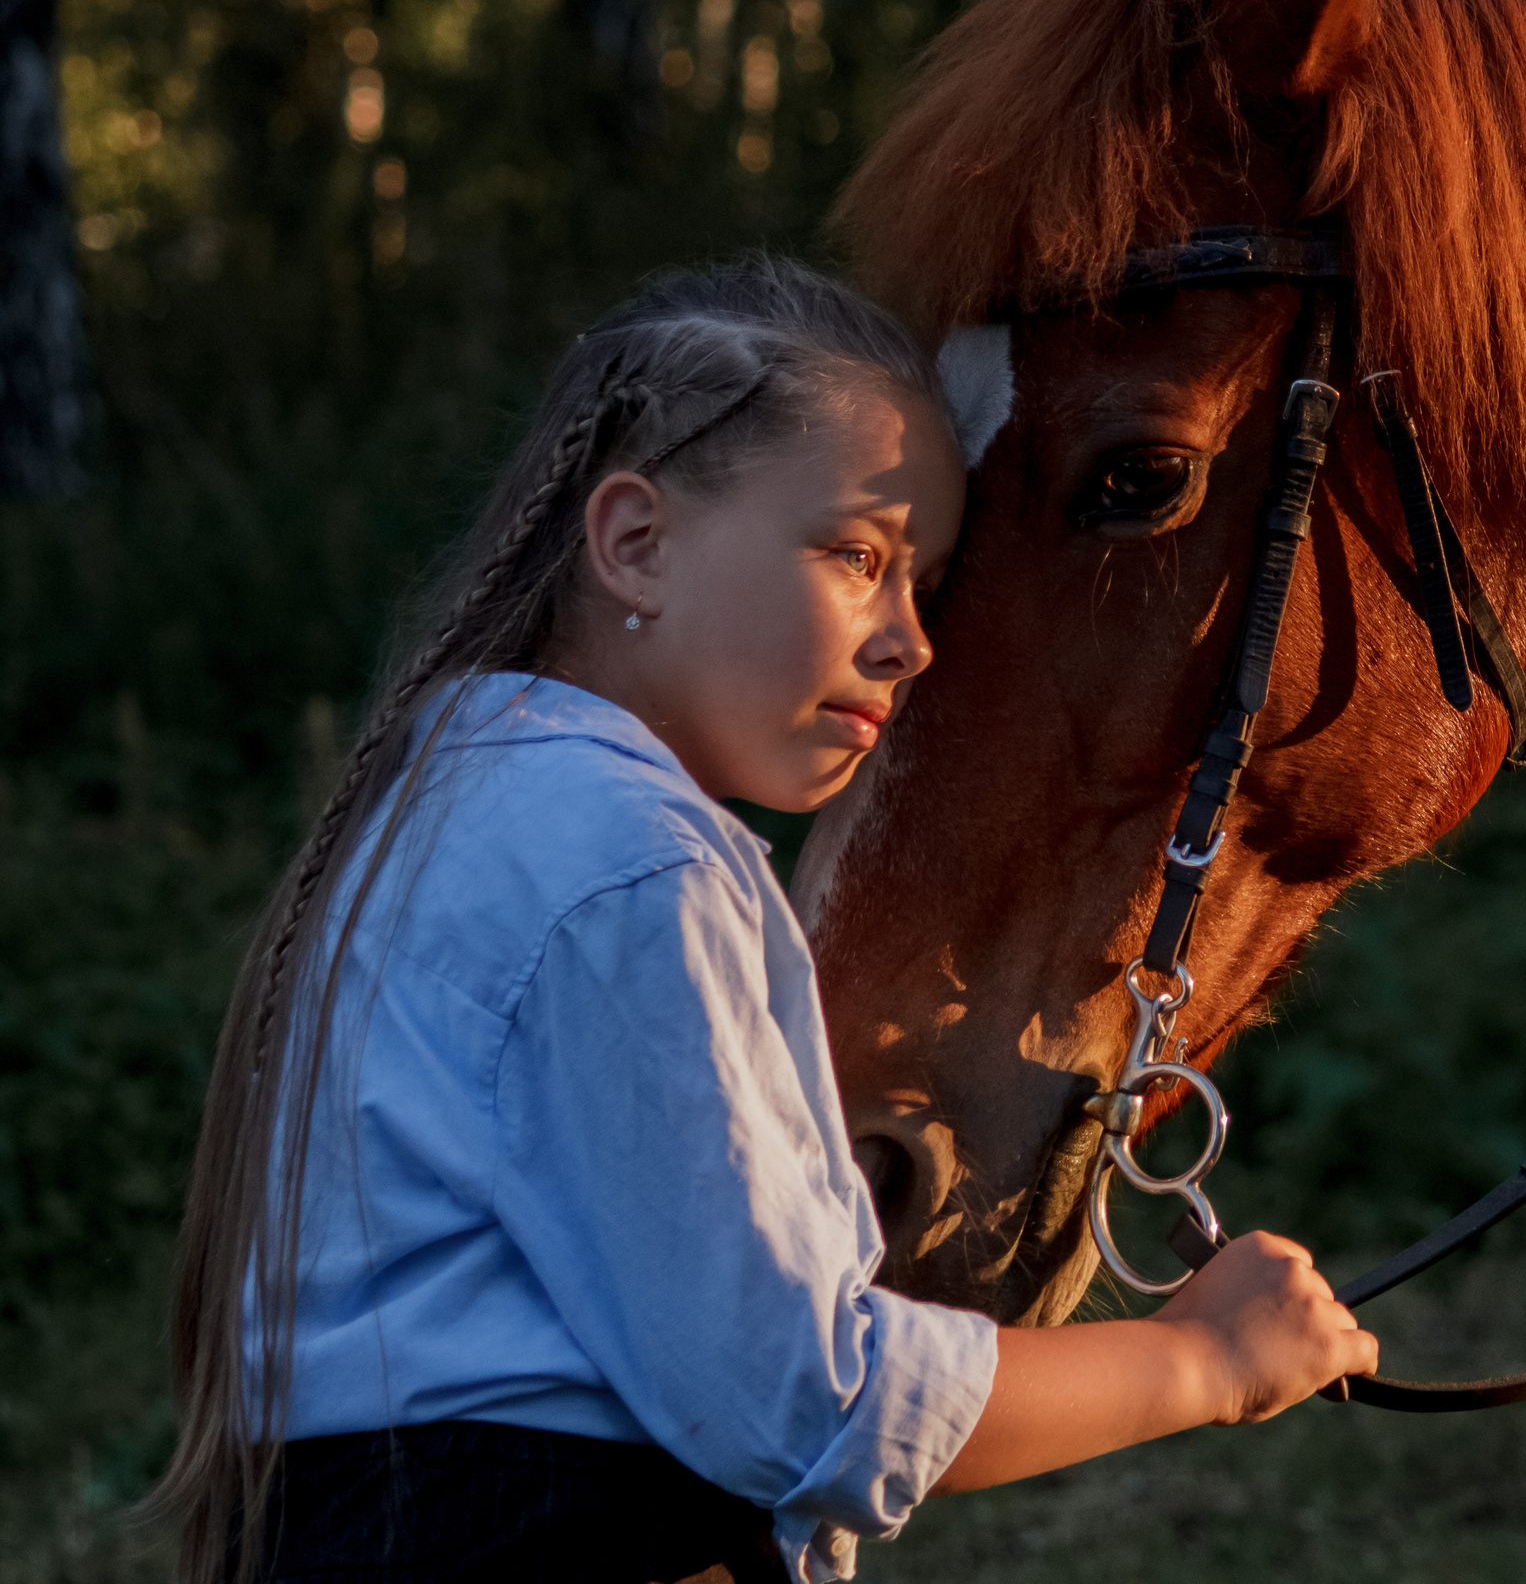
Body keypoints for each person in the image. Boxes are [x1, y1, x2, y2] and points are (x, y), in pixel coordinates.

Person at [150, 258, 1379, 1584]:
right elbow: (802, 1397)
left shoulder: (450, 810)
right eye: (858, 555)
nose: (911, 640)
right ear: (636, 542)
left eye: (927, 583)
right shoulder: (629, 863)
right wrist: (1203, 1359)